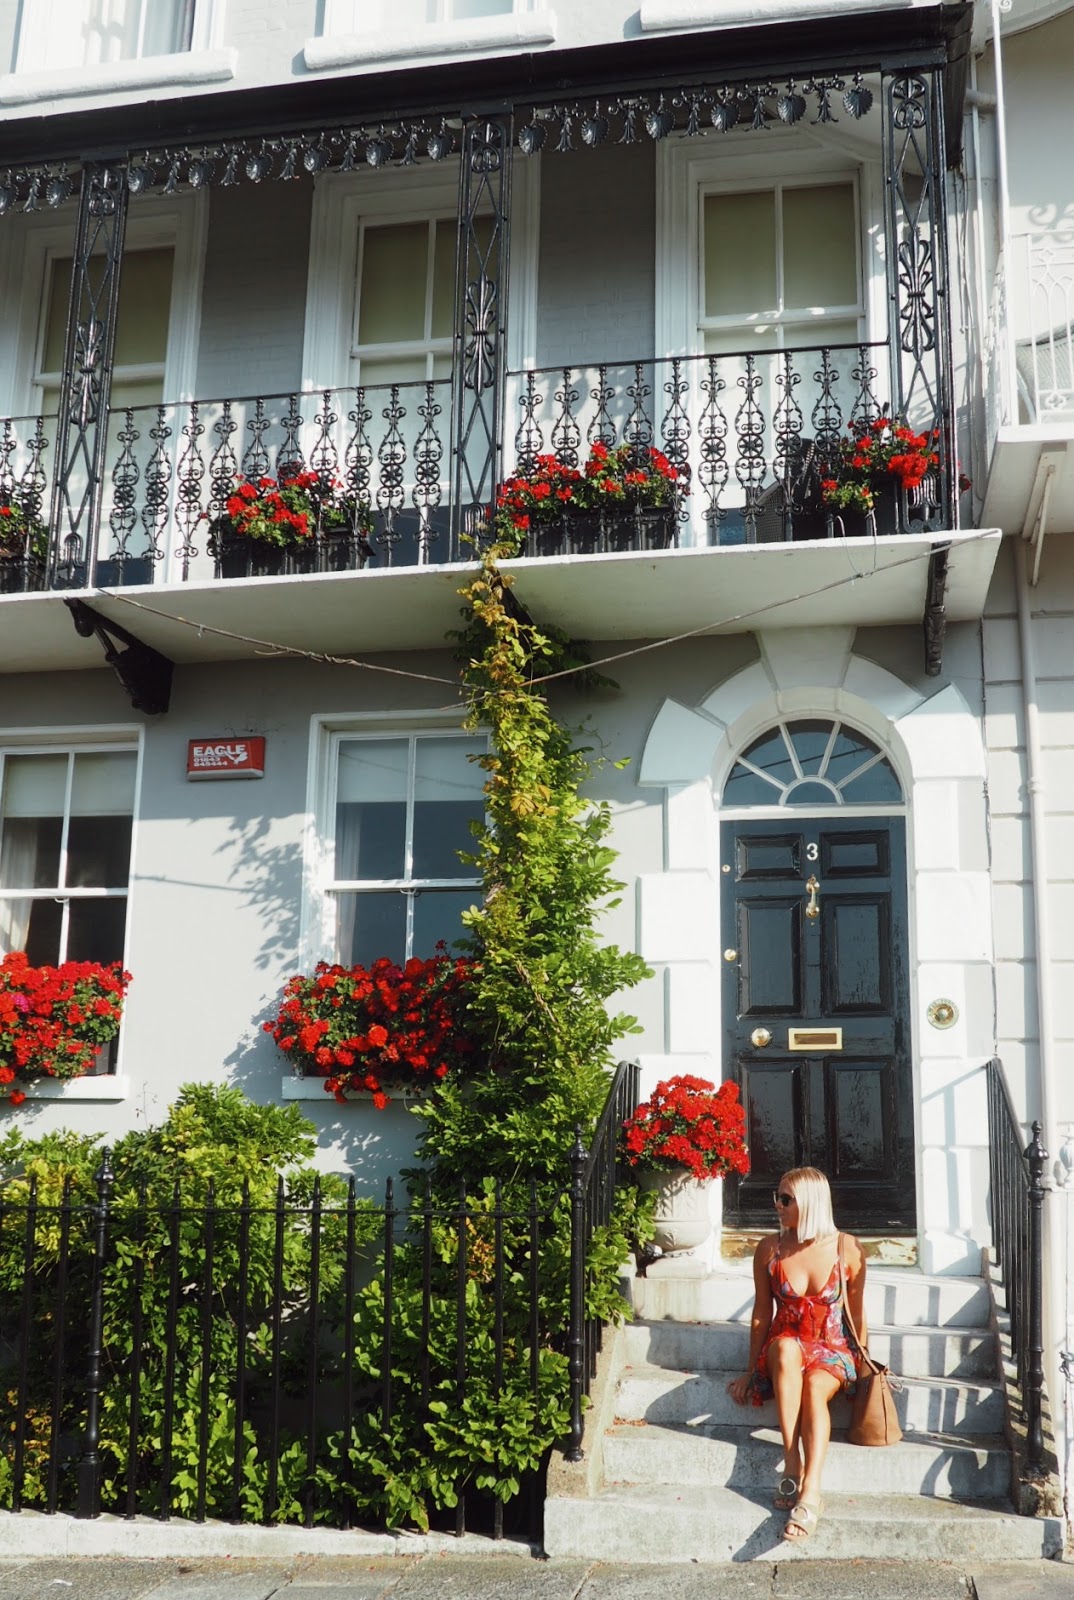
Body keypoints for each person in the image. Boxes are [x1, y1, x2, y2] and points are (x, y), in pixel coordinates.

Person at [726, 1166, 866, 1541]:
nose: (777, 1204)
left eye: (786, 1199)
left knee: (815, 1387)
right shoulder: (769, 1249)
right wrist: (749, 1372)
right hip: (786, 1343)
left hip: (832, 1347)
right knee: (787, 1349)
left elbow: (857, 1315)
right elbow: (761, 1314)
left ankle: (811, 1490)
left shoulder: (848, 1250)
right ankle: (792, 1462)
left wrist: (865, 1368)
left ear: (811, 1203)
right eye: (777, 1197)